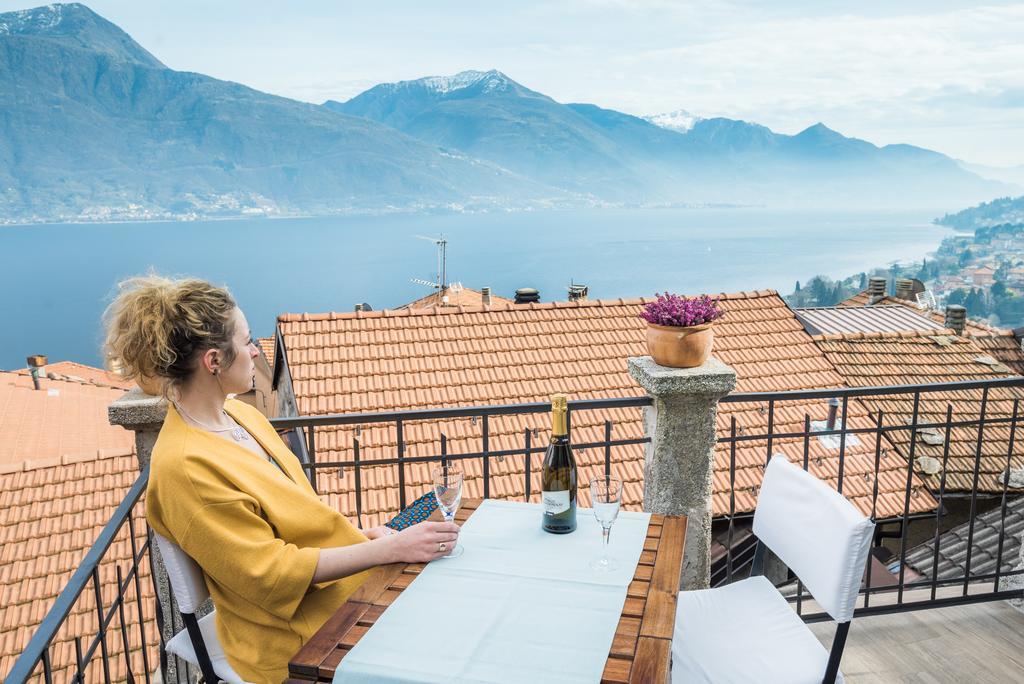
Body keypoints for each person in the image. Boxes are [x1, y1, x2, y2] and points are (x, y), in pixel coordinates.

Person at [103, 275, 459, 683]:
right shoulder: (186, 470)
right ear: (214, 361)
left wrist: (366, 537)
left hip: (333, 595)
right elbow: (270, 575)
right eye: (247, 340)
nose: (256, 351)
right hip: (295, 640)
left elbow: (292, 525)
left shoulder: (241, 416)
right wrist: (388, 549)